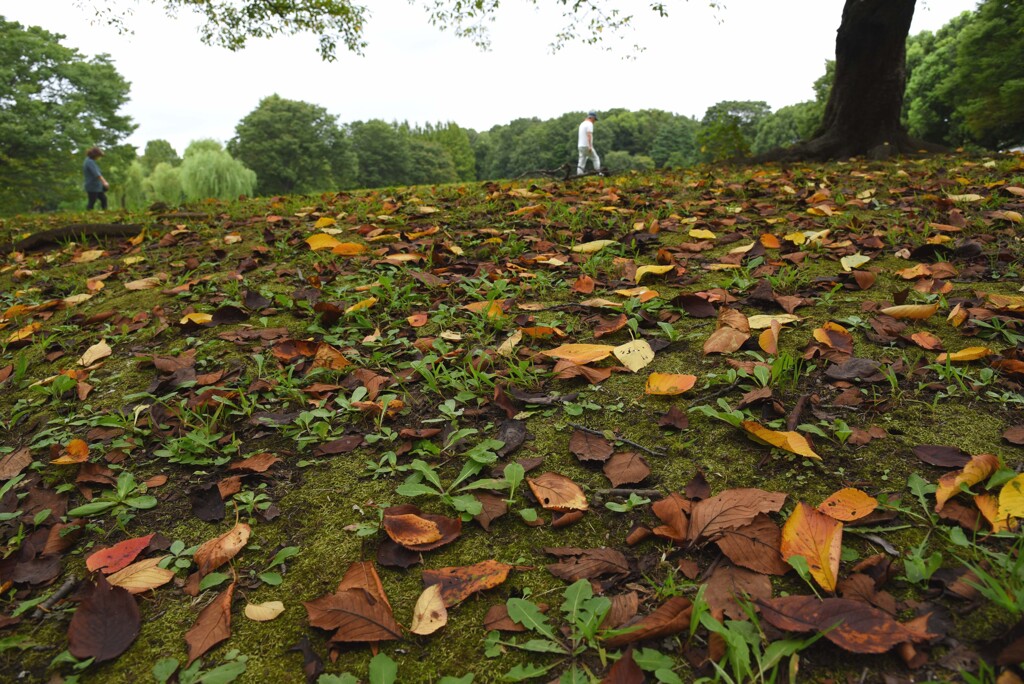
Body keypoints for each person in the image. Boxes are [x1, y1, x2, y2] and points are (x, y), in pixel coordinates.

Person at [576, 111, 601, 176]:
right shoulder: (589, 124)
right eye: (595, 119)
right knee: (596, 158)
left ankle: (579, 175)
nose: (594, 121)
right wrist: (590, 146)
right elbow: (589, 134)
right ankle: (598, 173)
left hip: (580, 146)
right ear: (592, 118)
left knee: (581, 161)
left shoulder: (582, 124)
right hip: (587, 145)